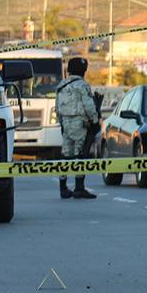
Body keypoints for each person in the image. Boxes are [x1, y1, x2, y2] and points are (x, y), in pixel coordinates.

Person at [55, 57, 100, 199]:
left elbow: (57, 108)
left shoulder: (61, 85)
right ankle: (79, 188)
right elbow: (89, 105)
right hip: (80, 124)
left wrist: (62, 123)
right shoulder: (82, 85)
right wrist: (95, 120)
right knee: (81, 154)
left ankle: (63, 188)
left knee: (65, 155)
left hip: (66, 123)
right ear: (83, 71)